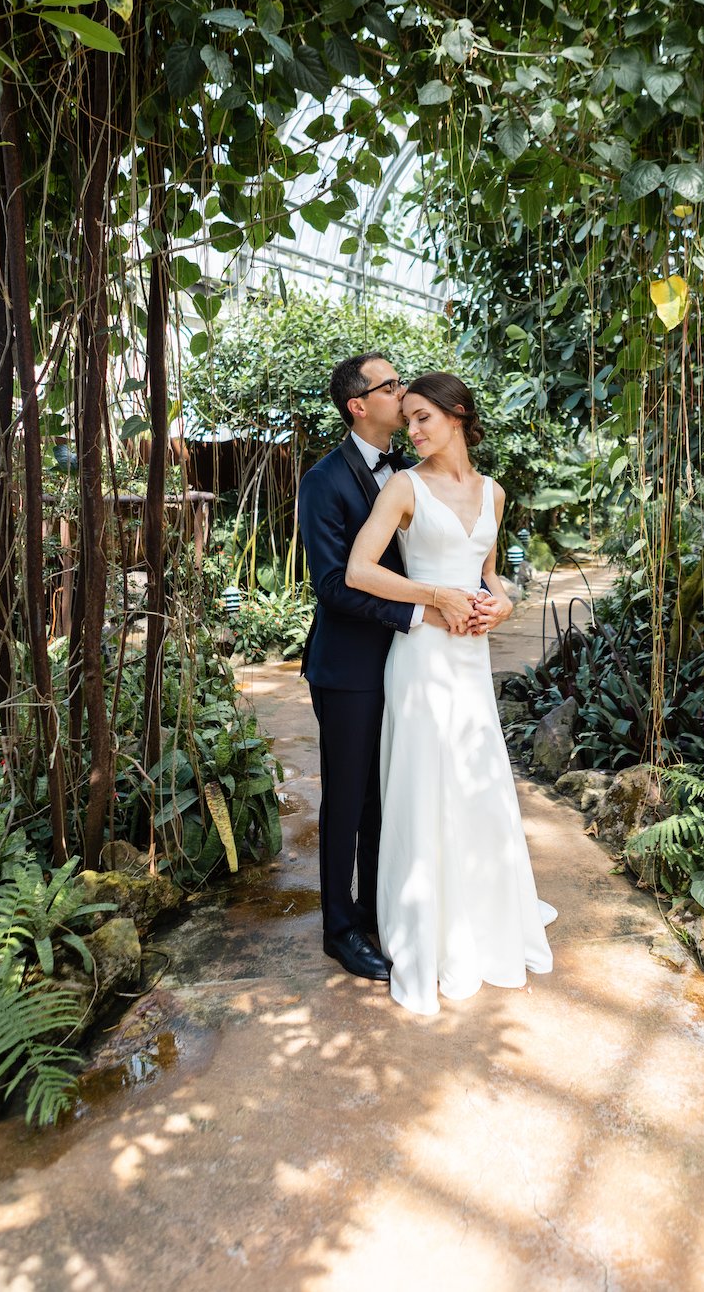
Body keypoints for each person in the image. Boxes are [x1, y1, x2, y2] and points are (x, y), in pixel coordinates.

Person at [346, 372, 556, 1016]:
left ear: (458, 415)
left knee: (475, 783)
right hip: (422, 656)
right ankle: (425, 933)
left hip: (470, 656)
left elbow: (491, 575)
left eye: (422, 418)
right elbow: (360, 570)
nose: (411, 431)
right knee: (424, 785)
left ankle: (482, 918)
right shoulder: (404, 488)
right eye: (406, 419)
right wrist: (435, 595)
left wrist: (502, 605)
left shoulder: (494, 493)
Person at [298, 354, 475, 983]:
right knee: (347, 800)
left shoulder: (407, 472)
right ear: (358, 404)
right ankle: (338, 928)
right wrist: (418, 615)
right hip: (347, 666)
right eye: (391, 385)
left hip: (408, 665)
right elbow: (331, 586)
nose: (401, 393)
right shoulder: (323, 481)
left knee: (387, 792)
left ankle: (377, 907)